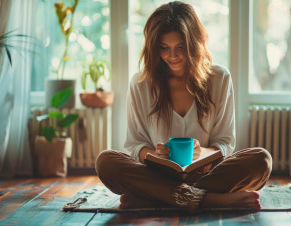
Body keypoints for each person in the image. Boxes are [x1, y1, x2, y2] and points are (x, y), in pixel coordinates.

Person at [96, 1, 272, 211]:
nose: (172, 56)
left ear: (195, 43)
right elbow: (135, 144)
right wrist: (153, 155)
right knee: (106, 162)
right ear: (154, 47)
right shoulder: (141, 84)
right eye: (164, 47)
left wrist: (203, 153)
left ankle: (156, 197)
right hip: (156, 174)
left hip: (208, 174)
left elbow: (224, 142)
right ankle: (211, 201)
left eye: (181, 47)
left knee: (261, 160)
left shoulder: (220, 78)